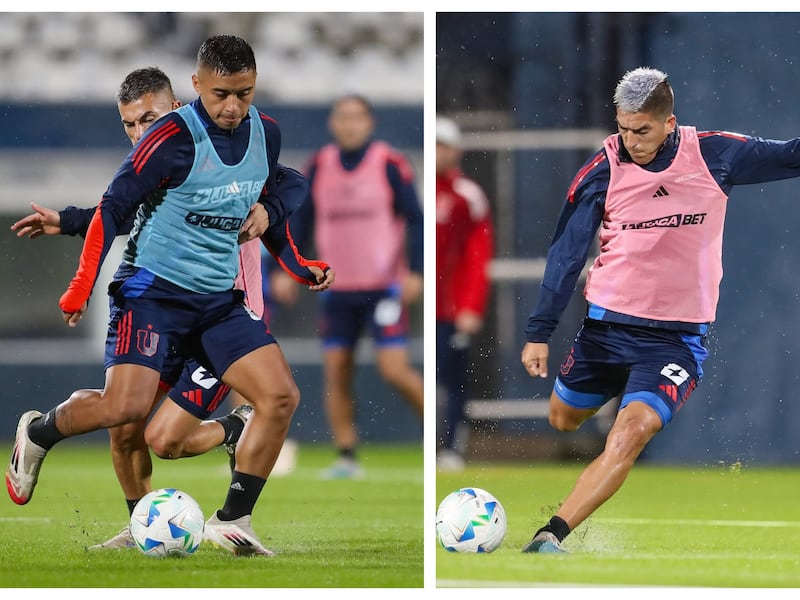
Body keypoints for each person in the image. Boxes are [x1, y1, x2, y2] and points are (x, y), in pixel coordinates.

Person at [6, 35, 332, 557]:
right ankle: (42, 434)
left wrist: (297, 262)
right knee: (125, 414)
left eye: (244, 94)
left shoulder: (264, 133)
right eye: (222, 93)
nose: (232, 106)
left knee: (277, 397)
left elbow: (283, 186)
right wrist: (80, 283)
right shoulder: (169, 140)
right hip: (153, 297)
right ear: (198, 86)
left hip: (219, 301)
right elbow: (115, 209)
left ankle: (234, 521)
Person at [520, 65, 800, 553]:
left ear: (669, 123)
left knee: (631, 433)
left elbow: (790, 156)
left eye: (642, 130)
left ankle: (551, 534)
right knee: (563, 419)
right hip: (606, 331)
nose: (630, 140)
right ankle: (611, 396)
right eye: (623, 128)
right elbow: (567, 252)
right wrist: (540, 329)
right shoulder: (603, 169)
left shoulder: (715, 154)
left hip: (675, 340)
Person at [273, 94, 424, 479]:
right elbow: (300, 224)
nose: (350, 124)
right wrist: (288, 270)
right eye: (343, 117)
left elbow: (415, 219)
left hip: (383, 287)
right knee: (336, 370)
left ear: (369, 123)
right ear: (333, 124)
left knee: (394, 369)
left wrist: (416, 272)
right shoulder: (320, 166)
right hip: (337, 289)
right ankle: (346, 455)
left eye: (357, 117)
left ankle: (438, 442)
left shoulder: (389, 164)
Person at [435, 117, 494, 472]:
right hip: (425, 305)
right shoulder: (421, 189)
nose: (438, 151)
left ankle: (452, 446)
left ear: (456, 150)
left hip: (450, 307)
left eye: (443, 144)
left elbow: (478, 254)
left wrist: (471, 304)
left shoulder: (467, 196)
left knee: (453, 379)